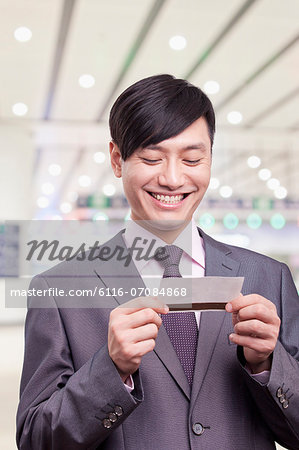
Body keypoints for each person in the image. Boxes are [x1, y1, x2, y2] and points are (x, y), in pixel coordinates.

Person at [16, 74, 299, 450]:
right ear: (118, 160)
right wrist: (111, 369)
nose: (171, 178)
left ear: (211, 159)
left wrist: (267, 364)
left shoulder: (268, 277)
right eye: (151, 158)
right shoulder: (58, 290)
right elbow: (36, 439)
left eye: (192, 159)